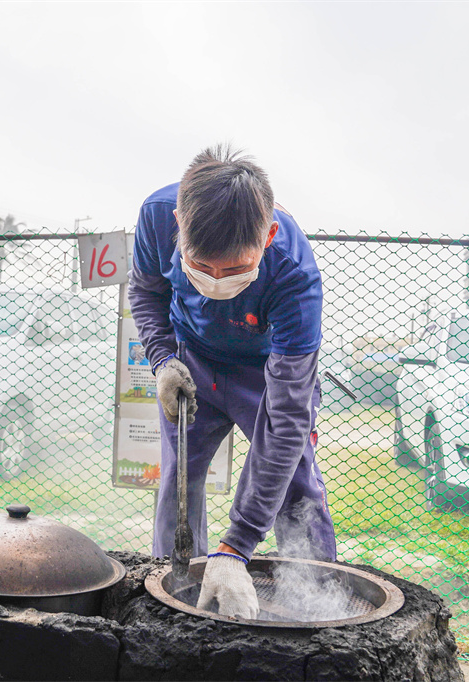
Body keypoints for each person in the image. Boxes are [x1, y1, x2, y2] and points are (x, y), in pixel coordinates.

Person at [127, 145, 336, 620]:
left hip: (264, 373)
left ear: (269, 236)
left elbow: (285, 422)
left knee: (296, 486)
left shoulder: (294, 275)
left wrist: (236, 546)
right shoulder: (157, 216)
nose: (217, 280)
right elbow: (145, 290)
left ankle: (318, 605)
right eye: (200, 267)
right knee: (179, 483)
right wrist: (163, 361)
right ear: (179, 224)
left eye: (237, 269)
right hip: (191, 361)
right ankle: (177, 599)